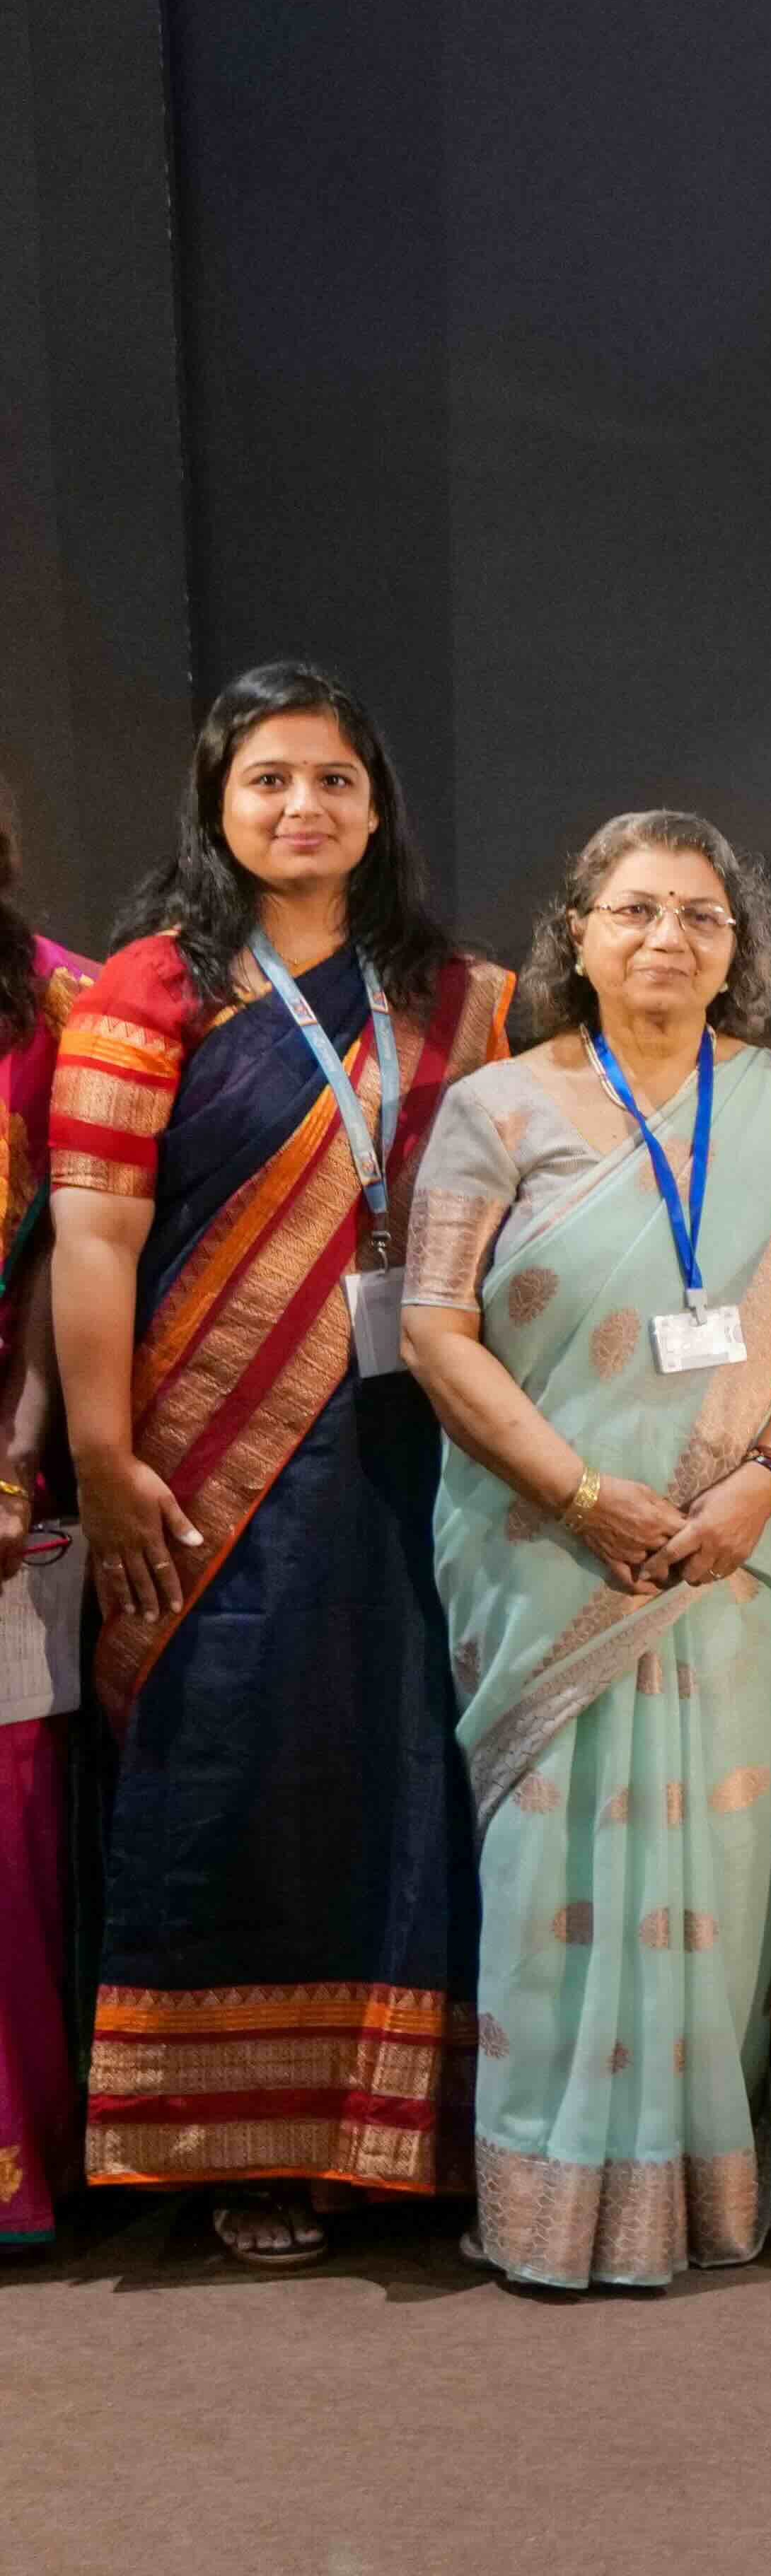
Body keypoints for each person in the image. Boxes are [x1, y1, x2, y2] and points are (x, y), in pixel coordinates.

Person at [48, 665, 512, 2266]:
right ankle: (229, 2139)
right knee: (232, 1750)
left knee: (410, 1760)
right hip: (207, 1459)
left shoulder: (463, 998)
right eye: (268, 781)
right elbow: (94, 1234)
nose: (301, 807)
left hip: (420, 1449)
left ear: (377, 807)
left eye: (332, 780)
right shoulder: (148, 995)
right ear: (217, 803)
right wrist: (101, 1454)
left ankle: (404, 2131)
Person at [398, 814, 771, 2290]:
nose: (667, 939)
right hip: (544, 1549)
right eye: (636, 910)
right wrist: (583, 1493)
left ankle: (702, 2190)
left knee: (726, 1841)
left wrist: (768, 1477)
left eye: (702, 916)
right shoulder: (494, 1111)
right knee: (547, 1868)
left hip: (731, 1554)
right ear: (574, 934)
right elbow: (433, 1330)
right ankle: (549, 2197)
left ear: (739, 946)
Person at [0, 791, 95, 2255]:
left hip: (10, 1471)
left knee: (11, 1805)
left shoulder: (69, 1006)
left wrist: (20, 1453)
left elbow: (77, 1246)